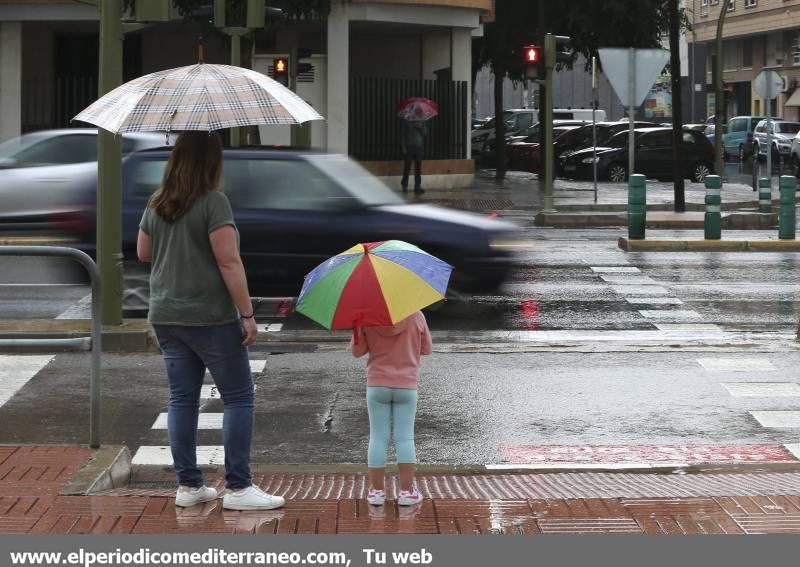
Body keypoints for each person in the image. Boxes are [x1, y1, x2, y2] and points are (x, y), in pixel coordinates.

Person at [137, 131, 284, 511]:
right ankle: (238, 487)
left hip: (166, 316)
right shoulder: (213, 202)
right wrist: (248, 315)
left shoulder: (157, 201)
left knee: (182, 399)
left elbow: (143, 252)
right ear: (212, 162)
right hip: (210, 316)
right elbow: (228, 261)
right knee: (238, 396)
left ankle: (189, 486)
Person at [350, 311, 432, 506]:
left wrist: (357, 330)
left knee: (378, 437)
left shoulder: (367, 317)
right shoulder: (416, 316)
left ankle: (376, 492)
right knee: (405, 438)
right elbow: (426, 349)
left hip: (377, 385)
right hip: (407, 385)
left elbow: (357, 352)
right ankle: (406, 492)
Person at [401, 120, 427, 195]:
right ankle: (404, 185)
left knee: (418, 168)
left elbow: (425, 134)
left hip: (419, 147)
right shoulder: (407, 121)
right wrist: (404, 147)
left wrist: (420, 127)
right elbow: (403, 134)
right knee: (407, 166)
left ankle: (417, 186)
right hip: (409, 147)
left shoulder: (421, 121)